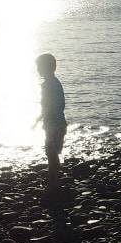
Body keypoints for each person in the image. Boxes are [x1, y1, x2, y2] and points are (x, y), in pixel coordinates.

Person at [35, 52, 67, 205]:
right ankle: (56, 182)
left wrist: (45, 119)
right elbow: (55, 105)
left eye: (39, 66)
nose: (37, 70)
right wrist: (38, 120)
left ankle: (52, 185)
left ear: (46, 67)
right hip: (58, 122)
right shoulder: (54, 82)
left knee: (51, 154)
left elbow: (50, 107)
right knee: (53, 153)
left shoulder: (48, 85)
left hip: (54, 124)